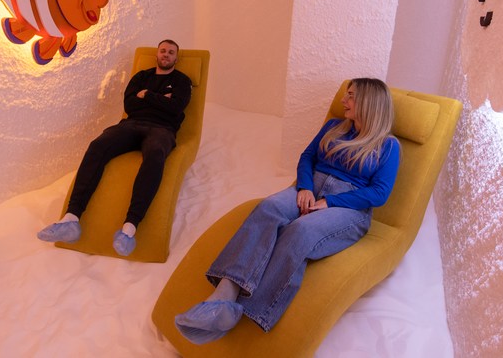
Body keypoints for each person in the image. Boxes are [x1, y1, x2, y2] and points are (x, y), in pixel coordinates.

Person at [174, 78, 400, 344]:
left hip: (350, 206)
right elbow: (307, 157)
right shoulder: (333, 127)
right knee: (269, 208)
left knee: (300, 230)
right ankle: (222, 297)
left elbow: (379, 193)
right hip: (310, 188)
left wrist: (331, 202)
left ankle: (251, 312)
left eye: (350, 96)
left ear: (368, 102)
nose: (343, 100)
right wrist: (304, 187)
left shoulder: (388, 146)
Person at [37, 39, 192, 257]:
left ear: (176, 57)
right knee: (97, 146)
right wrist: (161, 100)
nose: (166, 54)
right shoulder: (141, 77)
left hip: (162, 129)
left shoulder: (181, 81)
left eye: (171, 52)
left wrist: (147, 95)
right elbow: (129, 105)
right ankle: (71, 219)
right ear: (157, 54)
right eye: (163, 51)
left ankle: (129, 228)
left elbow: (176, 108)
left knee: (155, 154)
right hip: (131, 124)